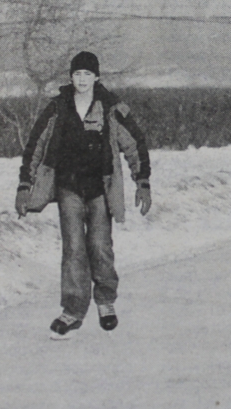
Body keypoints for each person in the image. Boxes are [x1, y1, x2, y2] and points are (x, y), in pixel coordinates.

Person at [14, 51, 152, 339]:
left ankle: (106, 301)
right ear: (71, 77)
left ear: (96, 77)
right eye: (77, 74)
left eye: (87, 74)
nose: (82, 79)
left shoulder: (111, 106)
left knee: (100, 245)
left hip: (100, 188)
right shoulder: (58, 107)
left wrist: (143, 182)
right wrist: (24, 186)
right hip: (68, 188)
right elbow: (35, 145)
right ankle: (73, 311)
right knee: (74, 249)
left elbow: (134, 143)